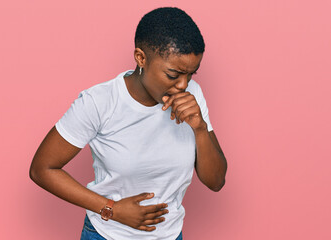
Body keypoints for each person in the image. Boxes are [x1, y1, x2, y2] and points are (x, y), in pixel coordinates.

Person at [30, 7, 227, 240]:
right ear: (141, 58)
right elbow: (42, 169)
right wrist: (111, 210)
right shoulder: (99, 102)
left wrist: (200, 128)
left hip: (171, 236)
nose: (183, 85)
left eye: (191, 74)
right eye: (173, 75)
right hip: (106, 235)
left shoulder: (193, 96)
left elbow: (216, 181)